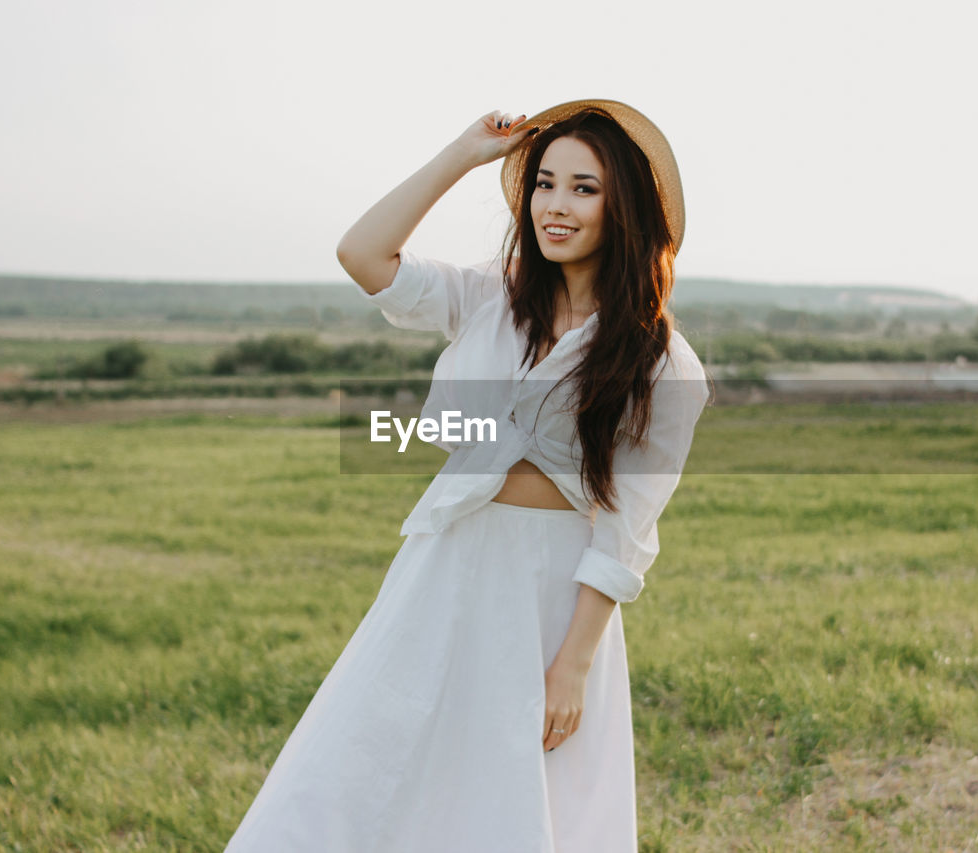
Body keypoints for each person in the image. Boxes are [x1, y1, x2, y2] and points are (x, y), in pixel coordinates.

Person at [224, 99, 711, 853]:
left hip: (549, 589)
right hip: (445, 562)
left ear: (627, 209)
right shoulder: (490, 295)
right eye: (545, 184)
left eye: (585, 189)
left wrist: (573, 664)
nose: (556, 205)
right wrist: (462, 154)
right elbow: (363, 256)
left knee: (519, 796)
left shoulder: (660, 359)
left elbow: (629, 525)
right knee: (368, 760)